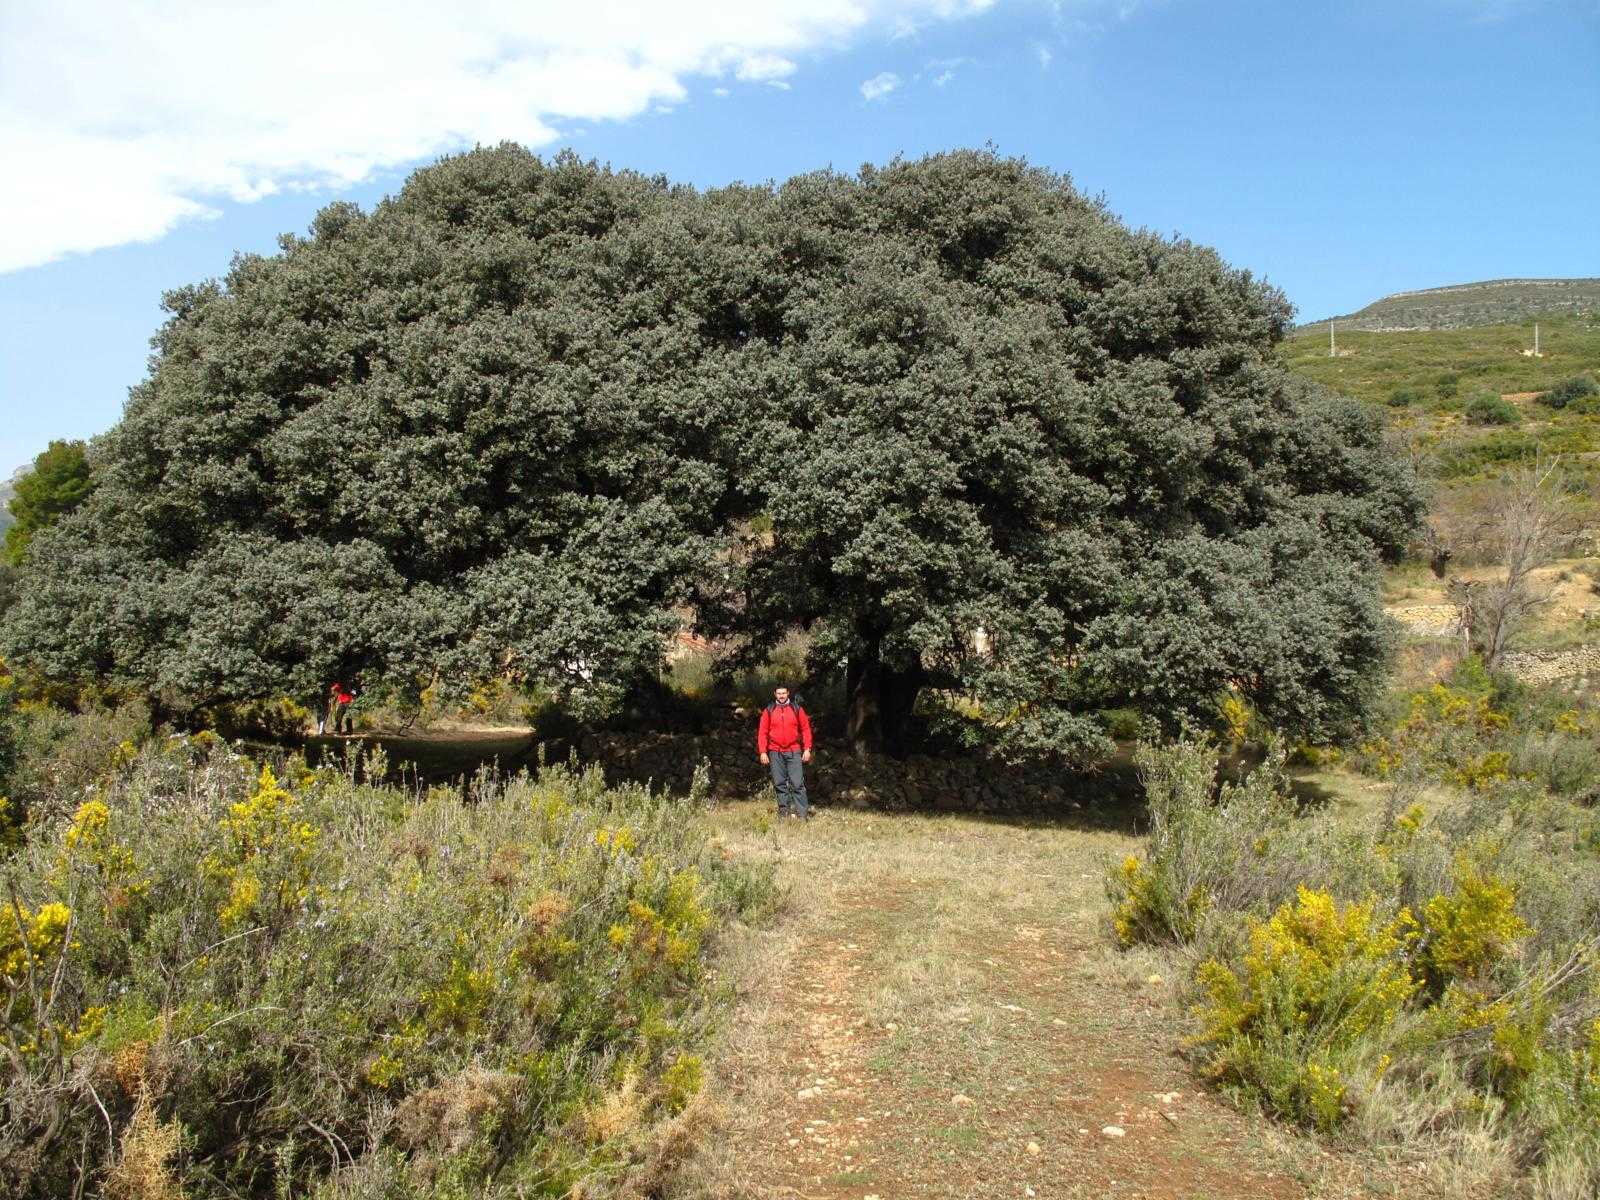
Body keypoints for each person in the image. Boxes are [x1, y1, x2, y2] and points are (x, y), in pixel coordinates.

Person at [758, 686, 813, 819]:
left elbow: (806, 729)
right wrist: (763, 751)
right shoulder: (769, 710)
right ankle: (784, 814)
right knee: (779, 784)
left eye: (783, 693)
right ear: (775, 694)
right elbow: (762, 732)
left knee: (797, 784)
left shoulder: (797, 709)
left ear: (788, 693)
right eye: (779, 693)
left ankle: (803, 815)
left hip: (794, 751)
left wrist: (807, 749)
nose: (781, 696)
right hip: (775, 752)